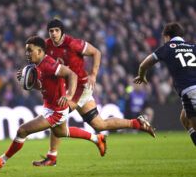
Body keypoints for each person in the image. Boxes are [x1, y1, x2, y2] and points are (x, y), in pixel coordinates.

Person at [32, 19, 156, 166]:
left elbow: (96, 52)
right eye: (51, 31)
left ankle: (53, 156)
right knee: (100, 125)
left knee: (57, 115)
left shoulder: (73, 44)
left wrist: (94, 74)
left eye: (56, 30)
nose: (53, 34)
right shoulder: (46, 46)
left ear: (62, 31)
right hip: (67, 89)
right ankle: (136, 123)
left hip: (80, 87)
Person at [0, 36, 107, 169]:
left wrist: (69, 95)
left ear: (40, 51)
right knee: (61, 132)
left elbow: (71, 75)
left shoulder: (49, 64)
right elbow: (41, 85)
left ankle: (1, 161)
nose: (27, 54)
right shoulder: (37, 65)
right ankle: (97, 139)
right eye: (26, 51)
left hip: (56, 111)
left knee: (22, 130)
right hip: (49, 107)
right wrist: (28, 82)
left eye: (30, 50)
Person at [134, 22, 196, 146]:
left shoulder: (168, 47)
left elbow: (143, 64)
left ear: (167, 36)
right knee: (184, 118)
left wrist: (142, 76)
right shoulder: (193, 46)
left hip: (190, 91)